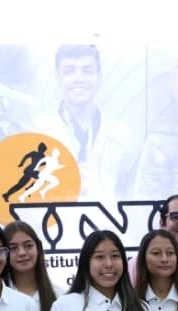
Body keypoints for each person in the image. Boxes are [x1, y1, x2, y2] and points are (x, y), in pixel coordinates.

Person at [33, 45, 135, 203]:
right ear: (58, 79)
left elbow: (129, 192)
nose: (78, 78)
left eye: (87, 71)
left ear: (99, 77)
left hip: (110, 224)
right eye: (69, 71)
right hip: (54, 224)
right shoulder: (38, 133)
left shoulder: (121, 134)